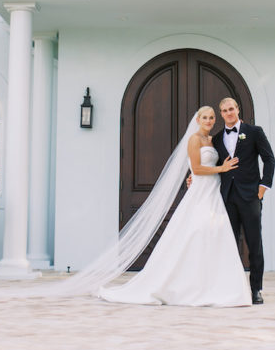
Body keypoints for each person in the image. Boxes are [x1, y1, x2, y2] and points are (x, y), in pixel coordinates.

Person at [98, 106, 252, 307]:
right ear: (198, 120)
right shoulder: (194, 139)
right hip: (200, 193)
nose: (208, 120)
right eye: (204, 117)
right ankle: (186, 286)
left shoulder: (212, 141)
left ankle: (217, 287)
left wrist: (218, 171)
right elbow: (196, 168)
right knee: (196, 232)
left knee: (216, 234)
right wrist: (219, 168)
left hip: (214, 191)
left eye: (211, 117)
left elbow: (204, 168)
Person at [212, 97, 275, 305]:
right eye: (224, 110)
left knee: (254, 243)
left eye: (231, 109)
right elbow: (214, 167)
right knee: (230, 244)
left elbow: (269, 159)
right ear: (221, 114)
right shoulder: (217, 138)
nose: (229, 113)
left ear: (237, 110)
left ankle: (256, 289)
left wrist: (263, 188)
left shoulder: (255, 132)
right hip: (228, 197)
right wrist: (194, 176)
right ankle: (233, 288)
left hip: (251, 197)